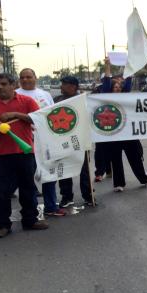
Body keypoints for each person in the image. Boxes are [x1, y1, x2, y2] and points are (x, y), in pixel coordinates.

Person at [0, 73, 49, 238]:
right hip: (1, 155)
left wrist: (15, 115)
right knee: (2, 192)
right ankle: (3, 225)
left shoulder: (26, 101)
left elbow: (38, 120)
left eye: (4, 84)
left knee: (27, 189)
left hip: (24, 152)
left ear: (13, 85)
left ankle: (30, 220)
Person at [16, 68, 66, 218]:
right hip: (24, 142)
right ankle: (31, 210)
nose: (25, 80)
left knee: (49, 174)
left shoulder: (45, 95)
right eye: (22, 77)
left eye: (28, 77)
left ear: (35, 77)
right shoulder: (15, 95)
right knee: (27, 177)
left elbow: (53, 116)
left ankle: (51, 206)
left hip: (45, 141)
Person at [100, 59, 147, 191]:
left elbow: (128, 80)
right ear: (110, 89)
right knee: (116, 160)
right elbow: (106, 82)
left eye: (119, 87)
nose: (118, 88)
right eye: (115, 87)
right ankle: (119, 184)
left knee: (135, 158)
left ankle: (144, 179)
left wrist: (128, 66)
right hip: (114, 134)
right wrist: (107, 66)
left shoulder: (125, 96)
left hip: (128, 133)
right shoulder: (106, 97)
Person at [55, 76, 95, 206]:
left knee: (85, 170)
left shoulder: (84, 100)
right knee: (64, 169)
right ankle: (66, 197)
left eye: (64, 84)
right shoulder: (56, 100)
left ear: (73, 86)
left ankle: (88, 195)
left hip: (81, 140)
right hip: (62, 141)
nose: (61, 87)